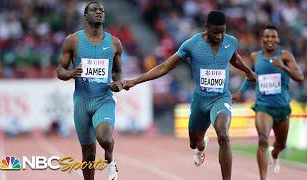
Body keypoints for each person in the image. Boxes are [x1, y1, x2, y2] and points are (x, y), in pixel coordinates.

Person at [122, 10, 256, 180]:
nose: (220, 36)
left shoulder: (230, 42)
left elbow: (234, 59)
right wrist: (134, 81)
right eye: (215, 32)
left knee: (223, 134)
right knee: (194, 142)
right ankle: (200, 147)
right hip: (200, 101)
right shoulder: (191, 45)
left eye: (223, 31)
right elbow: (164, 67)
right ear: (206, 27)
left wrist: (248, 71)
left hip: (221, 98)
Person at [57, 1, 123, 180]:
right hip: (82, 102)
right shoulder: (73, 40)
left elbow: (118, 72)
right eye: (94, 10)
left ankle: (110, 158)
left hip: (103, 99)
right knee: (88, 156)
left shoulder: (115, 43)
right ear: (85, 16)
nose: (99, 12)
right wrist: (70, 73)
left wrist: (119, 83)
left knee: (104, 138)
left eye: (101, 10)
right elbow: (60, 71)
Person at [233, 25, 304, 180]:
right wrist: (240, 91)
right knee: (263, 139)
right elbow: (250, 75)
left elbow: (300, 77)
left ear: (278, 39)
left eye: (273, 37)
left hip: (282, 107)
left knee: (281, 144)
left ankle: (275, 154)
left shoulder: (285, 55)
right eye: (267, 36)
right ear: (262, 39)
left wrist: (283, 67)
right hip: (263, 106)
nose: (270, 39)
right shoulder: (255, 56)